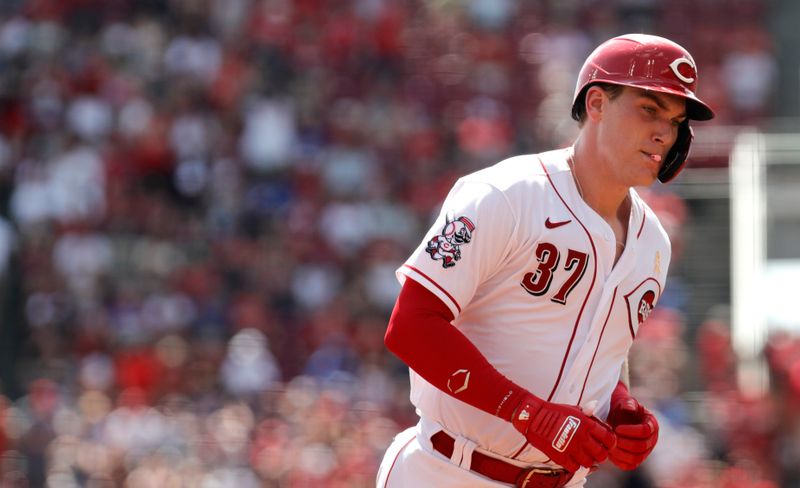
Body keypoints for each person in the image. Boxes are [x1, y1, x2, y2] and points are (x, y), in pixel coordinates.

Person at [377, 33, 715, 488]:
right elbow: (411, 326)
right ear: (596, 104)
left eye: (675, 121)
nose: (663, 132)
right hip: (449, 469)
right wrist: (525, 412)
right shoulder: (507, 194)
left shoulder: (654, 241)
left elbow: (598, 353)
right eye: (649, 109)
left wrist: (619, 407)